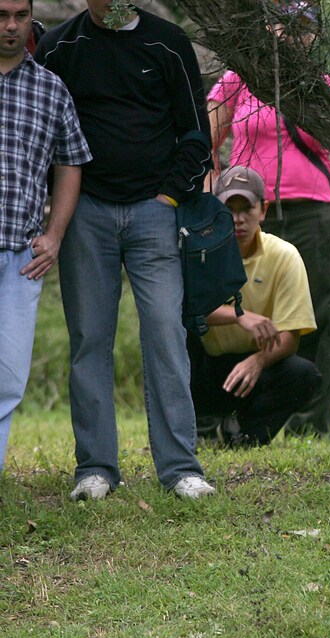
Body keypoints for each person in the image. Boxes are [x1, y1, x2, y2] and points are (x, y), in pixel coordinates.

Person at [35, 1, 216, 500]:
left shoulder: (169, 43)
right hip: (84, 211)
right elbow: (41, 131)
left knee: (165, 333)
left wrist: (170, 195)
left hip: (154, 210)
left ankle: (181, 468)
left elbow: (197, 134)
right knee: (89, 337)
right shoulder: (59, 47)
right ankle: (95, 468)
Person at [207, 1, 330, 438]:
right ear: (268, 27)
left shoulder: (327, 86)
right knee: (237, 310)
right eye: (284, 25)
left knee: (320, 315)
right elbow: (205, 137)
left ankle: (312, 425)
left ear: (314, 32)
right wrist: (212, 196)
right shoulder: (238, 79)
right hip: (245, 211)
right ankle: (237, 412)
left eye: (303, 27)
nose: (293, 35)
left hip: (313, 212)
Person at [0, 0, 90, 477]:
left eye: (18, 14)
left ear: (30, 16)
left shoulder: (50, 89)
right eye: (0, 15)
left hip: (19, 257)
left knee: (8, 379)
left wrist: (55, 236)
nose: (10, 25)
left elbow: (70, 162)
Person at [188, 166, 322, 447]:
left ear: (263, 210)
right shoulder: (198, 251)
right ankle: (194, 430)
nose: (238, 219)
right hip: (205, 366)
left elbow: (290, 338)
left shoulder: (284, 256)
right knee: (176, 338)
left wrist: (258, 360)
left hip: (258, 365)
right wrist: (239, 316)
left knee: (303, 374)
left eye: (246, 209)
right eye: (229, 209)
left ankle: (243, 435)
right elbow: (185, 309)